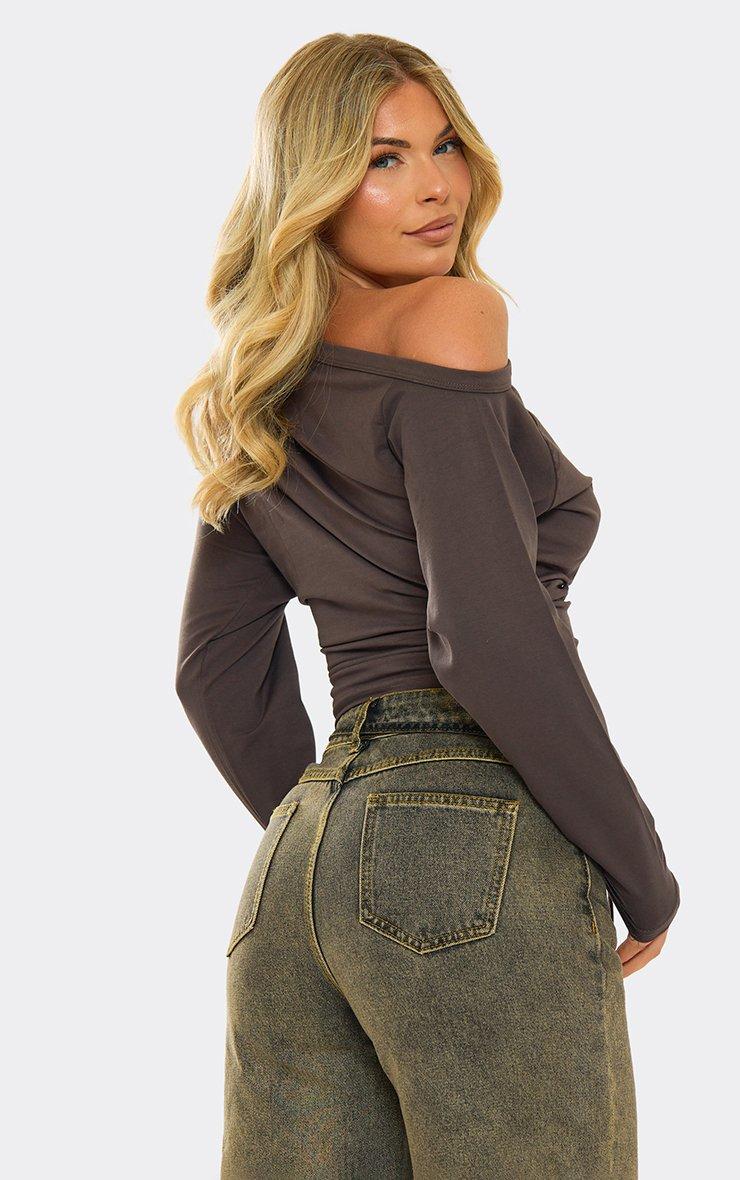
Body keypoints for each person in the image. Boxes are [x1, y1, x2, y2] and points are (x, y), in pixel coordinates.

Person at [174, 32, 680, 1180]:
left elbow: (212, 673)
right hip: (471, 826)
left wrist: (346, 843)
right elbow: (485, 637)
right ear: (310, 187)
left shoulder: (264, 388)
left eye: (442, 146)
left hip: (294, 875)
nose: (434, 185)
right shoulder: (450, 317)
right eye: (382, 159)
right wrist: (639, 869)